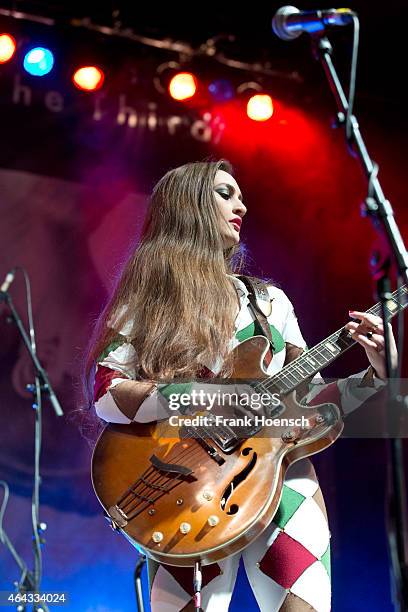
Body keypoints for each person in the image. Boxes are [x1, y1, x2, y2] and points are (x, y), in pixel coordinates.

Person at [87, 159, 397, 612]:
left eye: (241, 195)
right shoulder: (148, 300)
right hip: (184, 483)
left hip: (281, 478)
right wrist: (206, 400)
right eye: (225, 194)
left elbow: (304, 405)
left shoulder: (271, 303)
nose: (243, 206)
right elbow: (106, 394)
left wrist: (375, 377)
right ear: (187, 205)